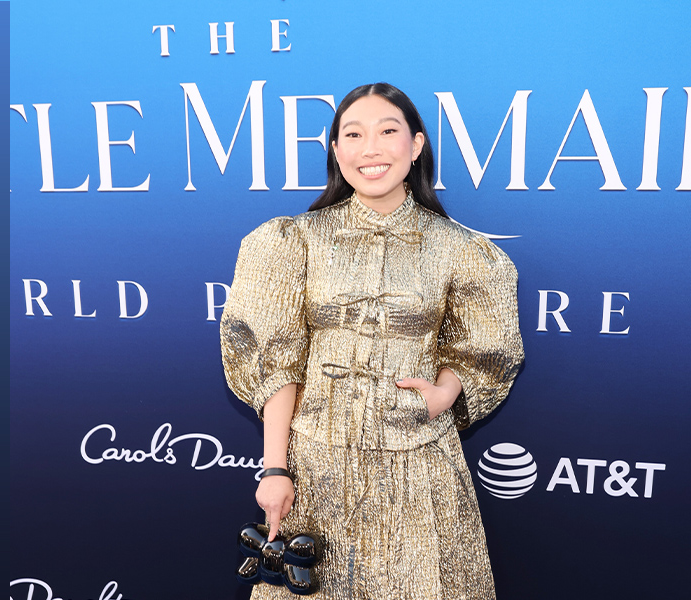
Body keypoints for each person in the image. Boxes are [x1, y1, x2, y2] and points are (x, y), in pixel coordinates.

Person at [221, 82, 524, 599]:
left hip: (419, 464)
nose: (371, 149)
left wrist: (445, 394)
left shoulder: (464, 250)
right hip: (317, 466)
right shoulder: (291, 240)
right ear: (337, 151)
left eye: (388, 131)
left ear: (417, 145)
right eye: (354, 135)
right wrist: (275, 468)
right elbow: (275, 361)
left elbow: (484, 347)